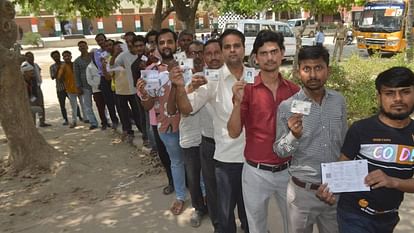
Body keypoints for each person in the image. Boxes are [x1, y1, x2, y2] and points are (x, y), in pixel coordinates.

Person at [317, 66, 414, 233]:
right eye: (389, 93)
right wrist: (330, 188)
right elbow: (342, 166)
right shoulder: (361, 129)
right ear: (379, 97)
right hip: (354, 214)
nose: (398, 99)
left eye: (405, 92)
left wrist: (393, 181)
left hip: (389, 216)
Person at [173, 29, 250, 233]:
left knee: (251, 212)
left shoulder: (256, 77)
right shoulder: (211, 81)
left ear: (244, 48)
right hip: (225, 159)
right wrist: (181, 87)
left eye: (236, 46)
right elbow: (187, 109)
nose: (232, 50)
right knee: (224, 215)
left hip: (254, 159)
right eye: (227, 47)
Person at [227, 30, 300, 233]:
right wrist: (238, 102)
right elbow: (233, 132)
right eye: (264, 53)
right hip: (255, 173)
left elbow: (303, 131)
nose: (270, 57)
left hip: (287, 170)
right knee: (256, 226)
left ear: (282, 53)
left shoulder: (294, 91)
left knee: (293, 224)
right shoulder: (246, 90)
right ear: (256, 58)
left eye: (274, 51)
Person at [274, 45, 348, 233]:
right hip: (302, 194)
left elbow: (344, 142)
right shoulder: (287, 107)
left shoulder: (339, 101)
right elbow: (280, 151)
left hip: (334, 190)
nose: (313, 74)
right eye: (307, 69)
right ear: (299, 72)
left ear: (328, 71)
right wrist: (293, 135)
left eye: (318, 68)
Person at [137, 28, 186, 216]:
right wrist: (143, 93)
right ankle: (181, 196)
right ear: (157, 46)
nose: (166, 45)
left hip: (190, 123)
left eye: (169, 41)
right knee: (176, 162)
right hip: (166, 125)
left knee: (194, 162)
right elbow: (148, 105)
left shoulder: (186, 67)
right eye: (162, 42)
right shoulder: (150, 72)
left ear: (176, 43)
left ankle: (203, 194)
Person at [168, 40, 208, 227]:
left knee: (212, 177)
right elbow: (171, 109)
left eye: (201, 52)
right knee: (193, 178)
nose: (197, 56)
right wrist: (180, 87)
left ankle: (215, 207)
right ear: (187, 55)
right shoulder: (180, 76)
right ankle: (199, 208)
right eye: (193, 53)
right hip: (190, 137)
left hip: (210, 136)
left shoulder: (213, 74)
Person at [94, 33, 119, 129]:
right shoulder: (97, 53)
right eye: (98, 41)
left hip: (115, 76)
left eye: (102, 40)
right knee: (109, 101)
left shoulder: (112, 50)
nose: (101, 42)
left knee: (119, 98)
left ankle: (129, 117)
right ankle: (114, 120)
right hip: (104, 77)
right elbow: (99, 66)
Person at [74, 41, 99, 130]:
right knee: (87, 106)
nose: (82, 48)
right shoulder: (77, 61)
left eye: (84, 46)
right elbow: (76, 75)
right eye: (80, 47)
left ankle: (106, 120)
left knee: (101, 104)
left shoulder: (94, 57)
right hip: (85, 86)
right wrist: (78, 86)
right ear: (79, 49)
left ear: (87, 47)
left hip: (97, 85)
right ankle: (93, 122)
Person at [25, 51, 51, 127]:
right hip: (31, 89)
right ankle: (33, 123)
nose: (31, 58)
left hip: (38, 88)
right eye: (29, 56)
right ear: (26, 58)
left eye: (32, 56)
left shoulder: (36, 65)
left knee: (41, 105)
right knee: (33, 106)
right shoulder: (25, 66)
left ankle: (42, 121)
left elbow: (39, 72)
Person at [57, 51, 81, 128]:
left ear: (71, 56)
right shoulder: (63, 66)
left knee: (84, 105)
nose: (67, 57)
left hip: (79, 87)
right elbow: (59, 78)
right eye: (65, 56)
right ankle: (74, 121)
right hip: (70, 89)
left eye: (68, 56)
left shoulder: (75, 64)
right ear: (63, 58)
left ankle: (87, 119)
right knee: (73, 106)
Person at [86, 51, 110, 130]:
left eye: (95, 55)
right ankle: (104, 122)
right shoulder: (89, 67)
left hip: (106, 88)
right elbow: (89, 80)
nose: (94, 57)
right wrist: (97, 86)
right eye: (92, 56)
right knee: (100, 107)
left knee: (109, 105)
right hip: (97, 90)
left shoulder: (103, 63)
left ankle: (109, 121)